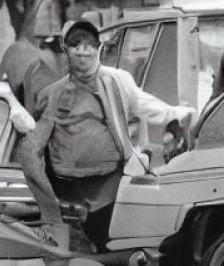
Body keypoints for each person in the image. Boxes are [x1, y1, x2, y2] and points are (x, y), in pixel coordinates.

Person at [15, 18, 197, 251]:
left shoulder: (118, 81)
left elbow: (145, 104)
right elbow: (32, 149)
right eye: (75, 45)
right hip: (72, 196)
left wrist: (179, 113)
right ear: (65, 50)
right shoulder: (52, 94)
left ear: (99, 48)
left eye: (90, 44)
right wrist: (49, 204)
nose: (83, 51)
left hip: (114, 188)